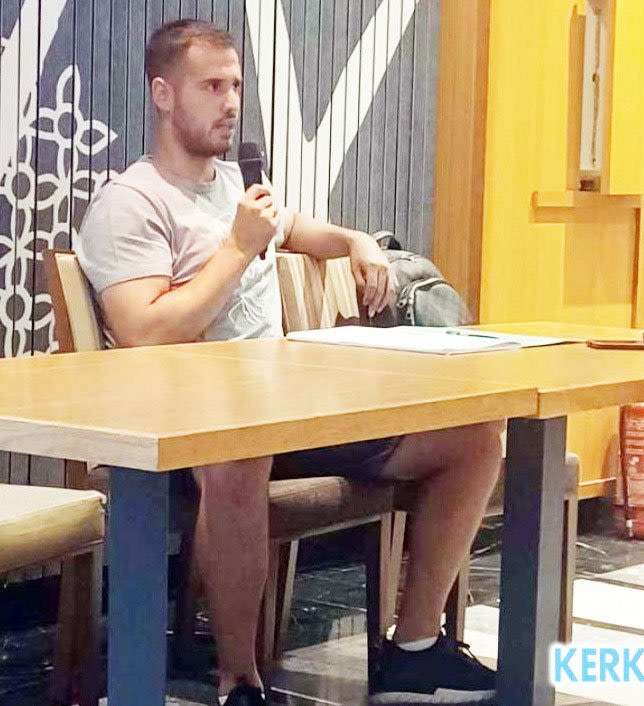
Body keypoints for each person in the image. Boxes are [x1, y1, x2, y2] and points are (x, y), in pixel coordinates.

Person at [77, 18, 504, 706]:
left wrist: (357, 240)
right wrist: (237, 248)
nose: (230, 102)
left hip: (286, 408)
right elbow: (145, 334)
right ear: (162, 93)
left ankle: (415, 646)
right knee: (240, 452)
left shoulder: (236, 186)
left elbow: (301, 230)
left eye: (235, 85)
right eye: (211, 87)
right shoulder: (131, 202)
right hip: (188, 419)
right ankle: (239, 679)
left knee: (473, 435)